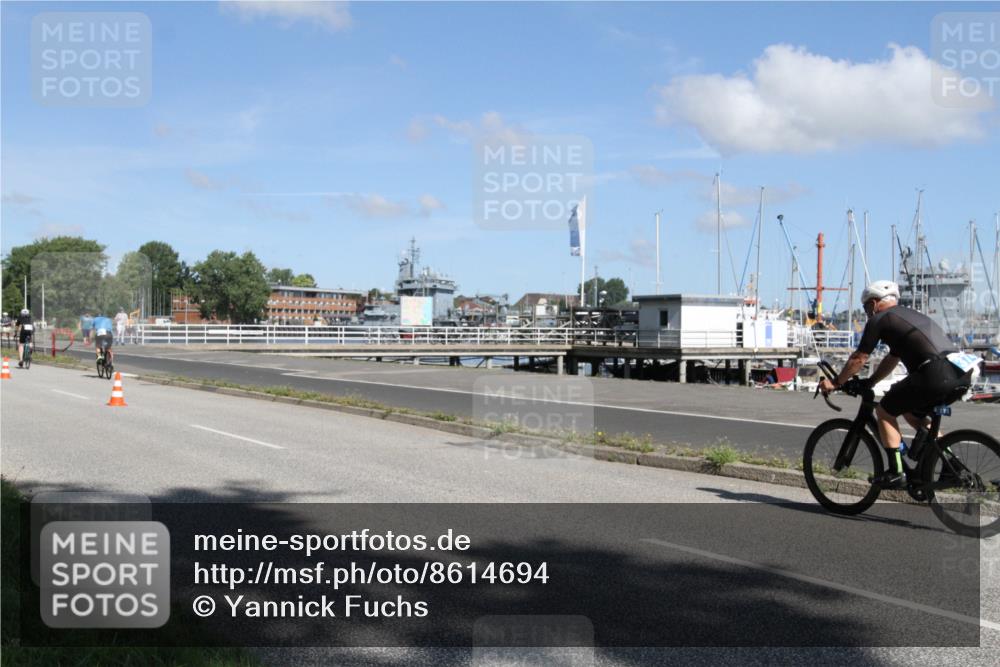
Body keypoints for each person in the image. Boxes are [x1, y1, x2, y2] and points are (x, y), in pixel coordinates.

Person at [819, 280, 975, 488]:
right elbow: (892, 359)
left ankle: (896, 472)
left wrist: (836, 382)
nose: (867, 312)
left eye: (866, 307)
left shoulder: (880, 319)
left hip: (935, 373)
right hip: (960, 372)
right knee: (912, 413)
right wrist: (871, 381)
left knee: (884, 411)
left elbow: (859, 358)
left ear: (874, 303)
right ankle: (951, 467)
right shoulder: (908, 316)